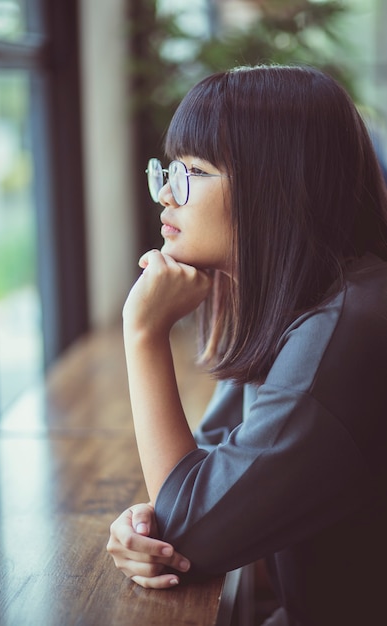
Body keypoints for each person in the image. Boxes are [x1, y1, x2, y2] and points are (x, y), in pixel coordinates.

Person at [107, 65, 387, 625]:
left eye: (193, 172)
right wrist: (147, 524)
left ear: (275, 187)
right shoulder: (313, 298)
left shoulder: (344, 332)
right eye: (169, 169)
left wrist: (143, 334)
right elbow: (208, 475)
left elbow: (193, 530)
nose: (165, 192)